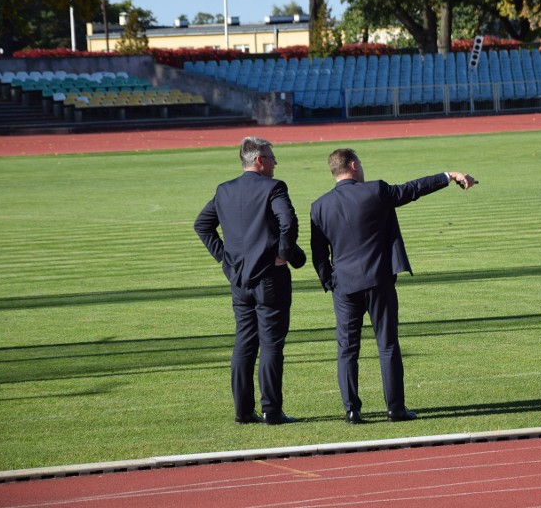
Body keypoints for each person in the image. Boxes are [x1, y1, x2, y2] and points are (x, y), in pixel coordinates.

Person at [310, 148, 476, 424]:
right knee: (387, 345)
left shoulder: (320, 206)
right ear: (353, 165)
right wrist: (449, 176)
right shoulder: (374, 191)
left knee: (347, 350)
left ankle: (352, 410)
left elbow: (319, 254)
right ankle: (395, 408)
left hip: (345, 287)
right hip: (379, 281)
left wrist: (331, 282)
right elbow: (413, 189)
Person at [194, 137, 305, 425]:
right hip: (269, 277)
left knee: (244, 343)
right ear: (258, 160)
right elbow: (288, 222)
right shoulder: (274, 187)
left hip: (239, 279)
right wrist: (282, 254)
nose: (275, 162)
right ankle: (271, 410)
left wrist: (226, 259)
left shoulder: (225, 190)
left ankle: (243, 411)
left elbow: (202, 225)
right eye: (271, 156)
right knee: (271, 344)